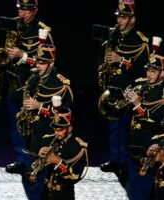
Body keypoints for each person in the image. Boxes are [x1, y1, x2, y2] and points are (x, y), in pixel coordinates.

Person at [0, 0, 54, 175]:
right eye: (20, 9)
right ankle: (21, 159)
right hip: (14, 83)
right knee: (16, 124)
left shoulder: (43, 31)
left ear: (35, 10)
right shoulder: (14, 26)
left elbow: (48, 61)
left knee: (32, 125)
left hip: (33, 85)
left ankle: (35, 158)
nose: (22, 13)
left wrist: (23, 56)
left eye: (27, 10)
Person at [99, 0, 150, 177]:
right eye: (119, 16)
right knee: (114, 127)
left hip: (129, 91)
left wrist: (121, 60)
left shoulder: (141, 41)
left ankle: (125, 162)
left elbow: (145, 69)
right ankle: (115, 159)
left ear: (132, 19)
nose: (119, 20)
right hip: (113, 88)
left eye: (123, 17)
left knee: (126, 129)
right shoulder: (114, 36)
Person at [18, 43, 73, 199]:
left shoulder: (61, 84)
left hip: (51, 135)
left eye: (42, 62)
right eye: (37, 61)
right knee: (32, 177)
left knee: (49, 180)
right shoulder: (34, 78)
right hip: (34, 134)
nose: (38, 65)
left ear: (52, 63)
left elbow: (66, 114)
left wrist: (40, 107)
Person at [126, 52, 164, 199]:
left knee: (152, 185)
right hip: (135, 140)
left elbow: (157, 121)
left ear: (162, 73)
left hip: (153, 144)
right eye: (148, 70)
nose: (149, 74)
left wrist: (137, 105)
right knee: (135, 184)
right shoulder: (141, 84)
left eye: (153, 71)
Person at [38, 107, 88, 199]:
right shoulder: (49, 139)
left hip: (64, 195)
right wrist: (40, 156)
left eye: (60, 130)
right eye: (55, 129)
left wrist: (58, 162)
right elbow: (37, 170)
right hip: (46, 193)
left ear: (69, 128)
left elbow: (74, 177)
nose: (56, 133)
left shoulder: (78, 146)